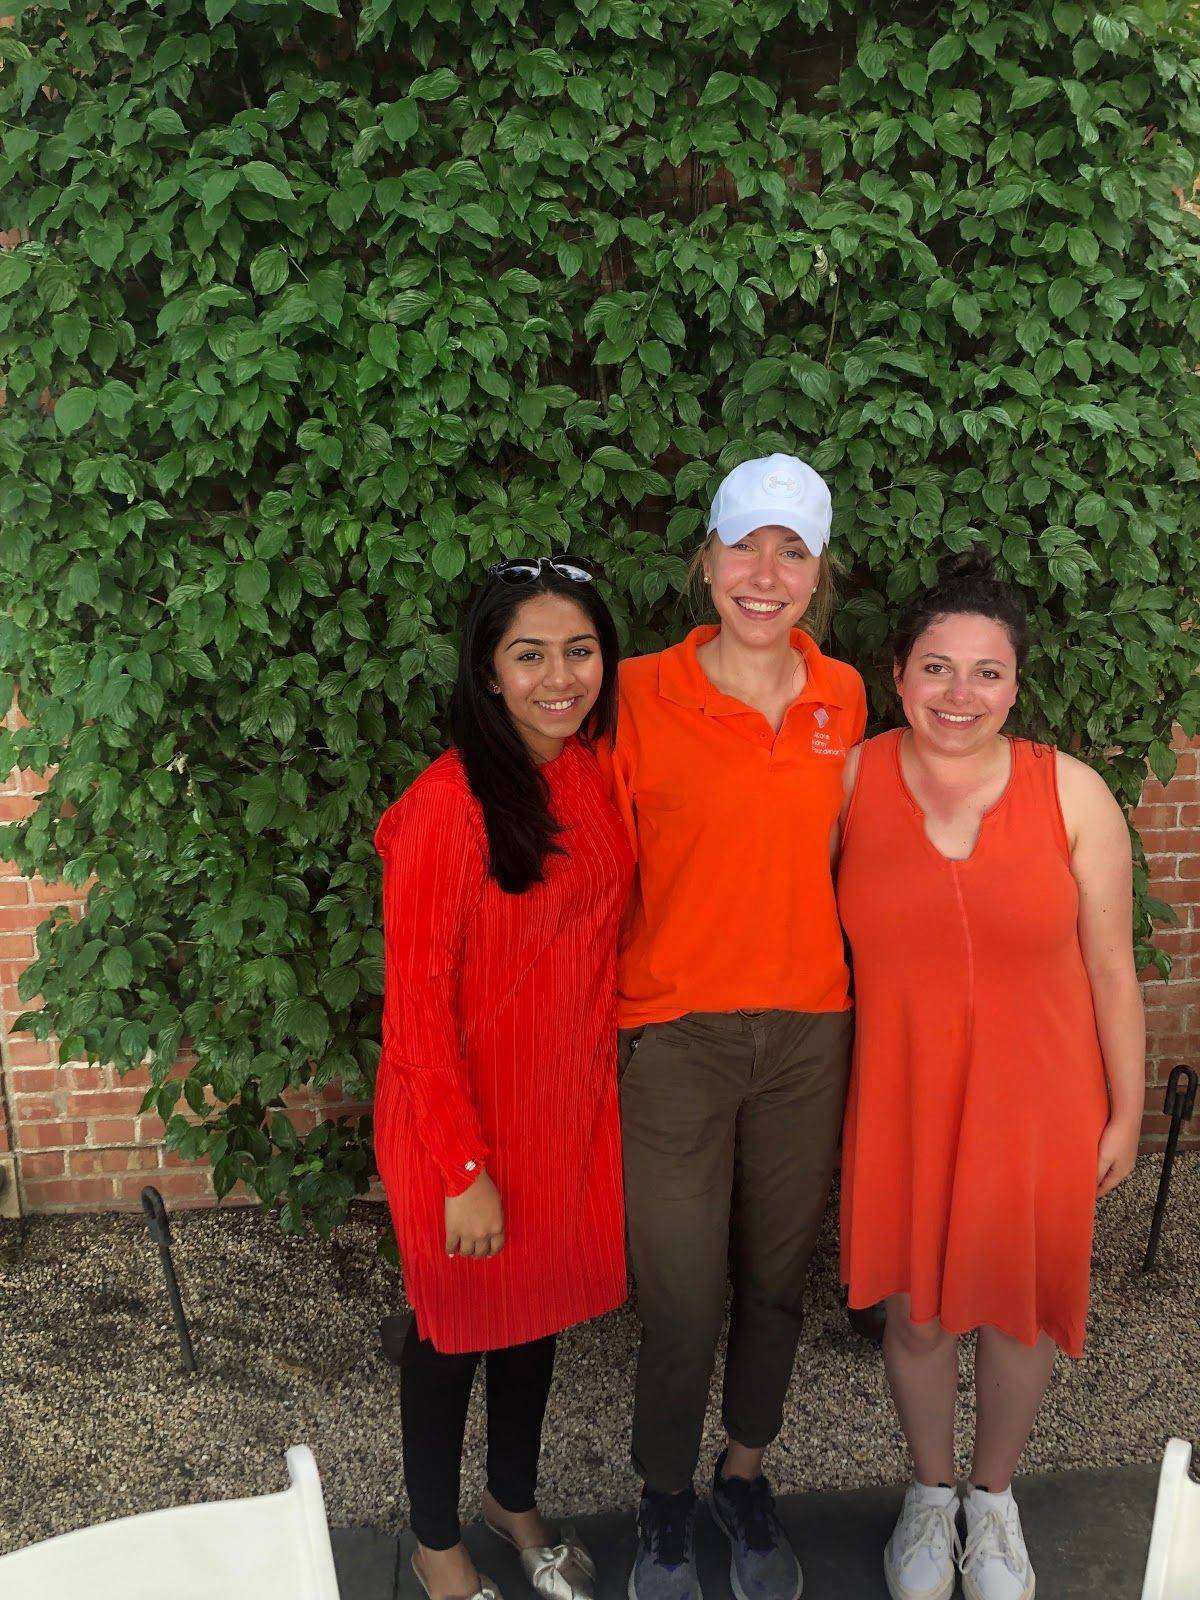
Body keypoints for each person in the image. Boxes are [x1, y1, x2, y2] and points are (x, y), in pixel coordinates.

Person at [836, 549, 1146, 1600]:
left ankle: (994, 1499)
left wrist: (1126, 1112)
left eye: (986, 672)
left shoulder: (1074, 792)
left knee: (1018, 1312)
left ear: (1015, 686)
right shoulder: (852, 781)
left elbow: (1112, 969)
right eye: (936, 667)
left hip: (1040, 1100)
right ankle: (931, 1496)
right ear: (898, 675)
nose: (958, 693)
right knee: (917, 1314)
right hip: (904, 1098)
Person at [604, 454, 867, 1600]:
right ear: (705, 559)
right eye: (744, 545)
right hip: (676, 1037)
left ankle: (743, 1473)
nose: (765, 573)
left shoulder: (844, 695)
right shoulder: (633, 691)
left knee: (774, 1282)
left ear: (818, 573)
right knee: (678, 1298)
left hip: (810, 1033)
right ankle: (664, 1498)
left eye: (790, 550)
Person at [373, 555, 634, 1600]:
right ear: (488, 670)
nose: (559, 677)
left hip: (560, 1108)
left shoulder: (584, 769)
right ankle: (436, 1542)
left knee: (535, 1319)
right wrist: (462, 1168)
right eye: (530, 655)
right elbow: (415, 1010)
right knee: (452, 1336)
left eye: (580, 651)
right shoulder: (446, 807)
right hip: (463, 1122)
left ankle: (510, 1501)